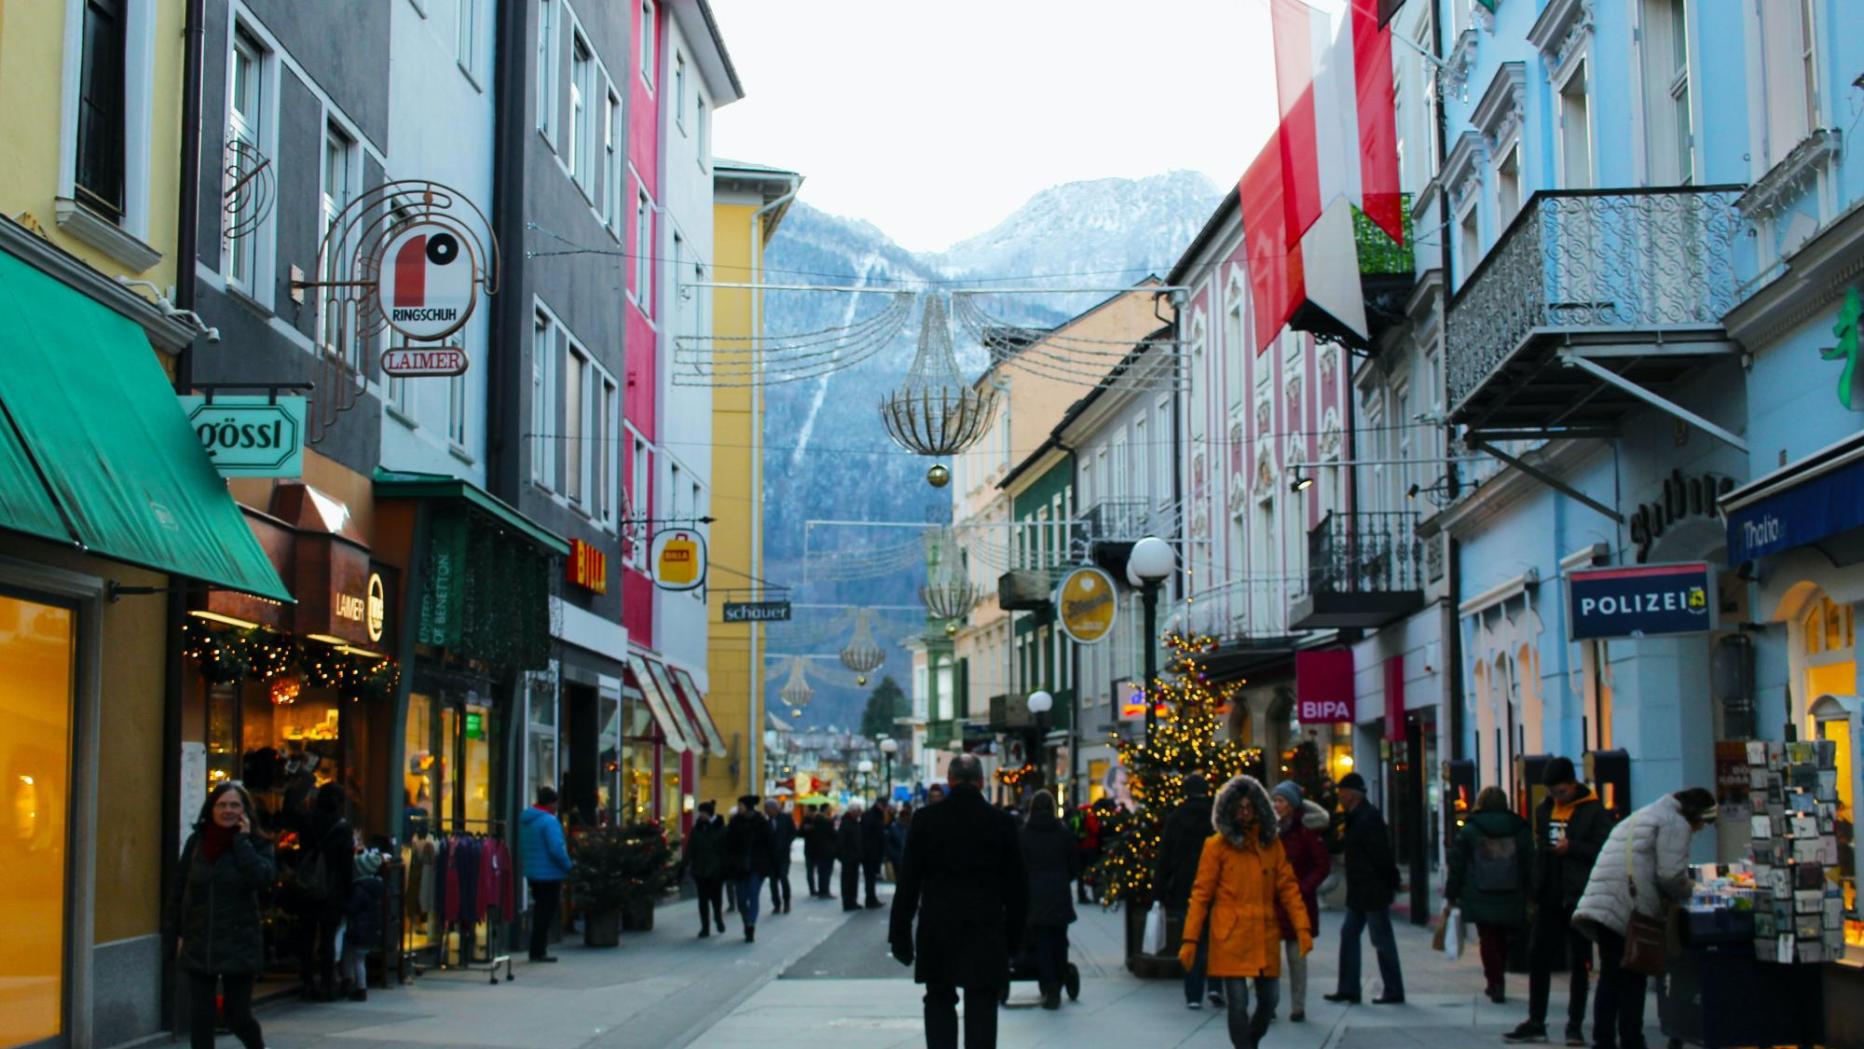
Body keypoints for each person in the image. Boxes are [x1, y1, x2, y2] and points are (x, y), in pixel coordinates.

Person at [890, 753, 1029, 1049]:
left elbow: (909, 882)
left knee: (939, 997)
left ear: (950, 781)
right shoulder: (1001, 822)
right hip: (985, 927)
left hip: (938, 926)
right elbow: (1017, 887)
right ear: (981, 782)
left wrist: (900, 935)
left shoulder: (926, 820)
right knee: (981, 1000)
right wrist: (1014, 939)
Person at [1177, 775, 1312, 1049]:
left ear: (1259, 808)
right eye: (1239, 807)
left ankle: (1249, 1042)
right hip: (1231, 934)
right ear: (1229, 810)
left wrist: (1302, 928)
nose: (1245, 813)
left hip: (1263, 931)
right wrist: (1190, 939)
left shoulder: (1270, 844)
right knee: (1238, 1003)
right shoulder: (1216, 847)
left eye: (1250, 807)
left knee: (1270, 1000)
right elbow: (1201, 894)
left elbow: (1288, 888)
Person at [1574, 788, 1716, 1049]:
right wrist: (1699, 892)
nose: (1701, 829)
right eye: (1704, 823)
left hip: (1604, 902)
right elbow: (1670, 876)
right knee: (1633, 975)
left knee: (1610, 976)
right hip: (1628, 908)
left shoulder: (1644, 814)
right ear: (1696, 816)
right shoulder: (1676, 823)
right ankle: (1631, 1039)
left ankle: (1603, 1040)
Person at [1507, 757, 1614, 1045]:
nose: (1557, 797)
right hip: (1550, 895)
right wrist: (1534, 884)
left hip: (1577, 896)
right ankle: (1536, 1020)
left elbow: (1604, 848)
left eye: (1562, 792)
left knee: (1580, 961)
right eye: (1553, 792)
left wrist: (1573, 848)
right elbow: (1540, 846)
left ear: (1573, 783)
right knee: (1538, 956)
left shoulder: (1592, 811)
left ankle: (1574, 1025)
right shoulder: (1545, 809)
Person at [170, 782, 276, 1049]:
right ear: (212, 809)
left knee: (236, 1015)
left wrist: (241, 842)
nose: (227, 810)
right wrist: (175, 933)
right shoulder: (197, 843)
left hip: (239, 941)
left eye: (234, 805)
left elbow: (262, 879)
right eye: (222, 805)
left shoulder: (257, 843)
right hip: (200, 940)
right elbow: (179, 889)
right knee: (200, 1017)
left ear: (245, 811)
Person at [1324, 771, 1405, 1005]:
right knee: (1350, 934)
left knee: (1380, 939)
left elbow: (1381, 854)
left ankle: (1392, 989)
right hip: (1361, 890)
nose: (1339, 797)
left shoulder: (1368, 818)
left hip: (1372, 889)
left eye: (1341, 793)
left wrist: (1391, 880)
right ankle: (1349, 988)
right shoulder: (1356, 817)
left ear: (1351, 795)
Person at [1447, 786, 1533, 1006]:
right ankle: (1499, 977)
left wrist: (1452, 892)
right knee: (1503, 937)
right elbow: (1529, 862)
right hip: (1511, 890)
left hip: (1479, 891)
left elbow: (1457, 864)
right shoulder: (1519, 828)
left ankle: (1494, 981)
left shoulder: (1470, 830)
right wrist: (1532, 891)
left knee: (1487, 938)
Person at [1155, 773, 1221, 1010]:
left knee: (1192, 938)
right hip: (1215, 885)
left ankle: (1193, 994)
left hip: (1186, 887)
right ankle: (1215, 985)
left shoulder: (1176, 818)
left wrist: (1159, 888)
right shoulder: (1216, 817)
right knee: (1215, 938)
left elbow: (1165, 856)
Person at [1271, 780, 1331, 1023]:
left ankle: (1298, 1006)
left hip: (1297, 902)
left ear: (1292, 805)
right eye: (1274, 800)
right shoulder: (1270, 830)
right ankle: (1270, 1004)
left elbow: (1322, 865)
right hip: (1273, 902)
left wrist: (1303, 888)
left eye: (1281, 801)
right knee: (1269, 959)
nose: (1276, 805)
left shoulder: (1306, 831)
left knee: (1297, 958)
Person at [1019, 790, 1079, 1009]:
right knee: (1059, 940)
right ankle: (1059, 977)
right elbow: (1074, 866)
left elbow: (1019, 868)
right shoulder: (1063, 834)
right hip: (1059, 893)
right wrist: (1063, 878)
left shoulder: (1023, 835)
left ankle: (1049, 983)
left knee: (1042, 941)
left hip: (1034, 895)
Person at [296, 783, 354, 999]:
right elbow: (346, 863)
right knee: (328, 938)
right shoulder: (342, 827)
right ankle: (327, 983)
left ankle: (306, 980)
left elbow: (302, 851)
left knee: (307, 936)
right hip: (332, 888)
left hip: (308, 884)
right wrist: (349, 890)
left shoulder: (307, 821)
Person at [724, 794, 777, 942]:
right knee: (741, 899)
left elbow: (770, 845)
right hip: (739, 866)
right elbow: (728, 845)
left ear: (747, 806)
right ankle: (746, 920)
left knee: (753, 895)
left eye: (740, 805)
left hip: (757, 866)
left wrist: (771, 866)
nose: (738, 808)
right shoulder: (734, 823)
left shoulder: (761, 823)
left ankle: (751, 925)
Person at [685, 801, 727, 937]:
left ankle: (718, 918)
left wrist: (726, 866)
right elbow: (690, 848)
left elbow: (726, 849)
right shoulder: (697, 828)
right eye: (700, 812)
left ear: (708, 813)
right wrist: (685, 864)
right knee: (702, 900)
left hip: (716, 870)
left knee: (716, 898)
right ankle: (705, 927)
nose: (700, 815)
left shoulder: (720, 828)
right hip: (700, 869)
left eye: (702, 812)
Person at [766, 799, 796, 914]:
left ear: (774, 808)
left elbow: (793, 832)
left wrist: (786, 843)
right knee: (773, 882)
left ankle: (787, 902)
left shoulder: (786, 818)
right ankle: (776, 904)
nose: (767, 811)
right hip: (771, 857)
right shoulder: (767, 821)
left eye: (768, 809)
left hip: (783, 855)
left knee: (783, 878)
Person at [837, 801, 865, 911]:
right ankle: (848, 902)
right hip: (849, 858)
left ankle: (852, 901)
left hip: (853, 857)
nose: (860, 814)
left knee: (852, 880)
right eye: (858, 812)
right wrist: (844, 856)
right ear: (853, 812)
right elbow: (841, 841)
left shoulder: (853, 822)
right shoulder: (847, 823)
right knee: (848, 881)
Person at [806, 805, 838, 898]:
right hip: (827, 850)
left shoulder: (816, 821)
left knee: (822, 872)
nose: (831, 810)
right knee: (826, 872)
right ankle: (825, 891)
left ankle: (822, 891)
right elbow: (832, 834)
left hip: (820, 850)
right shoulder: (825, 821)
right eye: (829, 808)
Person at [862, 799, 888, 907]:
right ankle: (870, 899)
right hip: (871, 852)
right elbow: (868, 834)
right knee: (870, 877)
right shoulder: (872, 815)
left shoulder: (876, 815)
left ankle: (871, 898)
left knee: (871, 878)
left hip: (874, 851)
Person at [885, 802, 912, 879]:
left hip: (909, 860)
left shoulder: (911, 828)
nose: (905, 818)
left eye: (907, 816)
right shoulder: (894, 828)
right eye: (904, 816)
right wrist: (894, 856)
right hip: (897, 860)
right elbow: (889, 844)